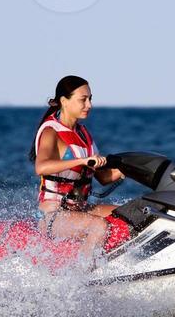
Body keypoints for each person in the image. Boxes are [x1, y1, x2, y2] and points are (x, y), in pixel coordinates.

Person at [30, 75, 124, 261]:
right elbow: (41, 167)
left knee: (126, 214)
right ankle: (84, 276)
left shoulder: (83, 133)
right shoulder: (51, 132)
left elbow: (104, 178)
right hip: (52, 216)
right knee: (99, 226)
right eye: (83, 100)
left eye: (90, 99)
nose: (89, 105)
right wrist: (80, 162)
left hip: (80, 209)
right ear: (64, 101)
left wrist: (131, 167)